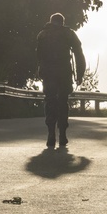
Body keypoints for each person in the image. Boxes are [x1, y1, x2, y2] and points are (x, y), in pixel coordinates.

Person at [36, 12, 86, 148]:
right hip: (64, 72)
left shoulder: (43, 34)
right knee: (63, 101)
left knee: (50, 100)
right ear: (62, 22)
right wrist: (79, 73)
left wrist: (40, 71)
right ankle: (62, 134)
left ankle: (50, 133)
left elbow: (39, 55)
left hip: (48, 73)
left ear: (51, 21)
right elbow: (78, 53)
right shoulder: (69, 34)